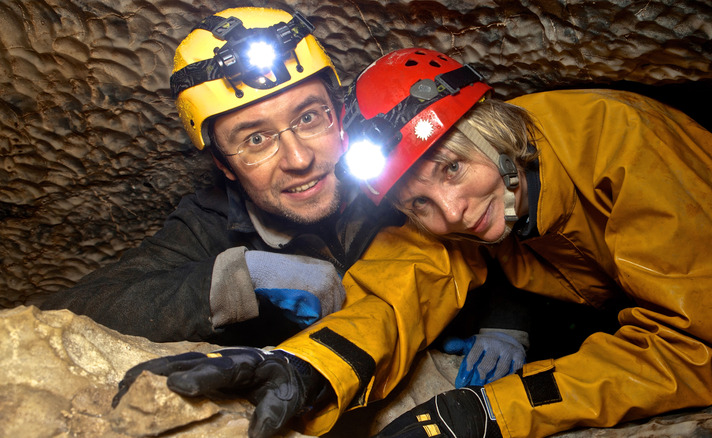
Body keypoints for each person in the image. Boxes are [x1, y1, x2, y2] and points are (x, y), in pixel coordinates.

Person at [41, 8, 524, 434]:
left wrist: (509, 319)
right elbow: (68, 311)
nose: (298, 158)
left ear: (340, 115)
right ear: (225, 167)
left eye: (310, 118)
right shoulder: (210, 224)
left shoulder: (390, 180)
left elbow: (510, 223)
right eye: (254, 139)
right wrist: (241, 278)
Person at [335, 48, 712, 437]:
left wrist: (492, 411)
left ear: (489, 128)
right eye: (419, 203)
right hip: (605, 303)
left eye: (451, 169)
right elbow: (407, 271)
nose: (452, 213)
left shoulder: (631, 146)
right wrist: (314, 366)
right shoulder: (492, 187)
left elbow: (691, 350)